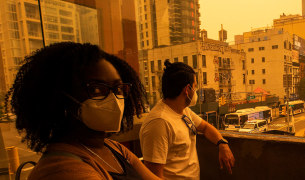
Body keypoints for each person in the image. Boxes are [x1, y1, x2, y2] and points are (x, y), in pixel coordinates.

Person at [5, 42, 160, 180]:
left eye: (118, 89)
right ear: (60, 97)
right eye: (97, 89)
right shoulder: (61, 170)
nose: (114, 98)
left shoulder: (112, 148)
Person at [139, 61, 235, 179]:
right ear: (187, 89)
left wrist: (222, 143)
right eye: (195, 86)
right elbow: (153, 176)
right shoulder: (159, 123)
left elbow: (205, 127)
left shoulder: (183, 110)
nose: (196, 91)